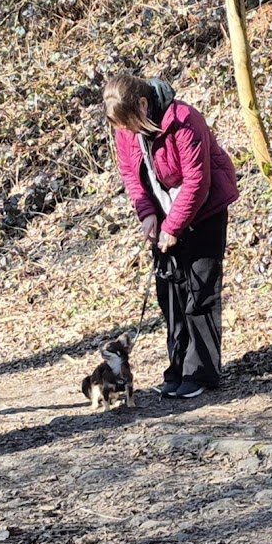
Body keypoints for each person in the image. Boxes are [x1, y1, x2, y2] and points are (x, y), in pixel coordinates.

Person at [103, 74, 239, 399]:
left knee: (200, 293)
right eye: (120, 126)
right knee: (171, 294)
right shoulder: (125, 129)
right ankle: (177, 368)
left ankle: (201, 372)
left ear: (143, 105)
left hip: (205, 212)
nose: (125, 131)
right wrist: (147, 214)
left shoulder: (184, 120)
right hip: (163, 212)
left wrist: (172, 227)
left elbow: (197, 182)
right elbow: (130, 173)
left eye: (128, 123)